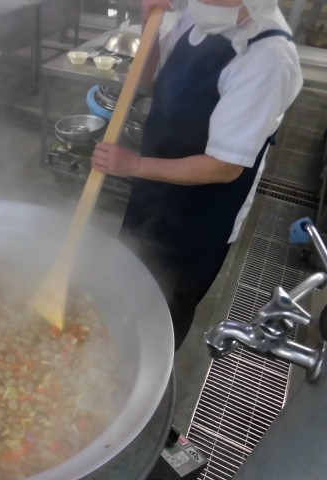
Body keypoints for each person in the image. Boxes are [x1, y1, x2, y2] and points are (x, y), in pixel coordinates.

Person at [91, 0, 303, 350]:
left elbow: (224, 166)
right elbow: (151, 81)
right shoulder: (200, 14)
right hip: (154, 189)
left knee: (167, 305)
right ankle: (106, 345)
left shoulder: (268, 56)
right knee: (127, 273)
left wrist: (135, 166)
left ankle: (152, 368)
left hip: (202, 217)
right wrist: (148, 27)